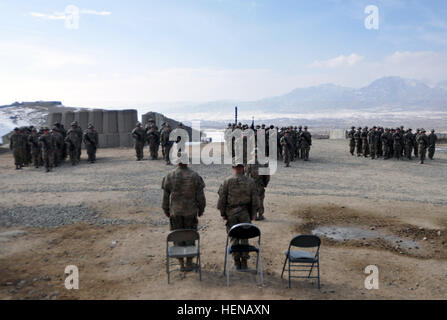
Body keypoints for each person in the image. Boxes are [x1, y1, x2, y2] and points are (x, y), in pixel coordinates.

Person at [161, 157, 206, 272]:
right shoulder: (195, 176)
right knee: (190, 236)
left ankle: (181, 263)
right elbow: (200, 197)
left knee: (178, 236)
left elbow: (166, 197)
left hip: (175, 212)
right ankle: (189, 262)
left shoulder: (169, 176)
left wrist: (166, 210)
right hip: (190, 212)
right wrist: (201, 209)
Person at [217, 159, 259, 271]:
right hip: (245, 213)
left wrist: (223, 213)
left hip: (231, 213)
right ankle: (244, 262)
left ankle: (236, 262)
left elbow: (222, 199)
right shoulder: (250, 182)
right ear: (243, 167)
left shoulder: (227, 181)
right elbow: (255, 200)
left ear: (233, 167)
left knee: (233, 237)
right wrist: (253, 214)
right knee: (245, 237)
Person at [245, 151, 270, 221]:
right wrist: (265, 184)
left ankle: (254, 215)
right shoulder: (264, 163)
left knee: (253, 200)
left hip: (252, 185)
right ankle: (260, 215)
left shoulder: (250, 163)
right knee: (260, 199)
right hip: (260, 184)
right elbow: (267, 177)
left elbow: (247, 175)